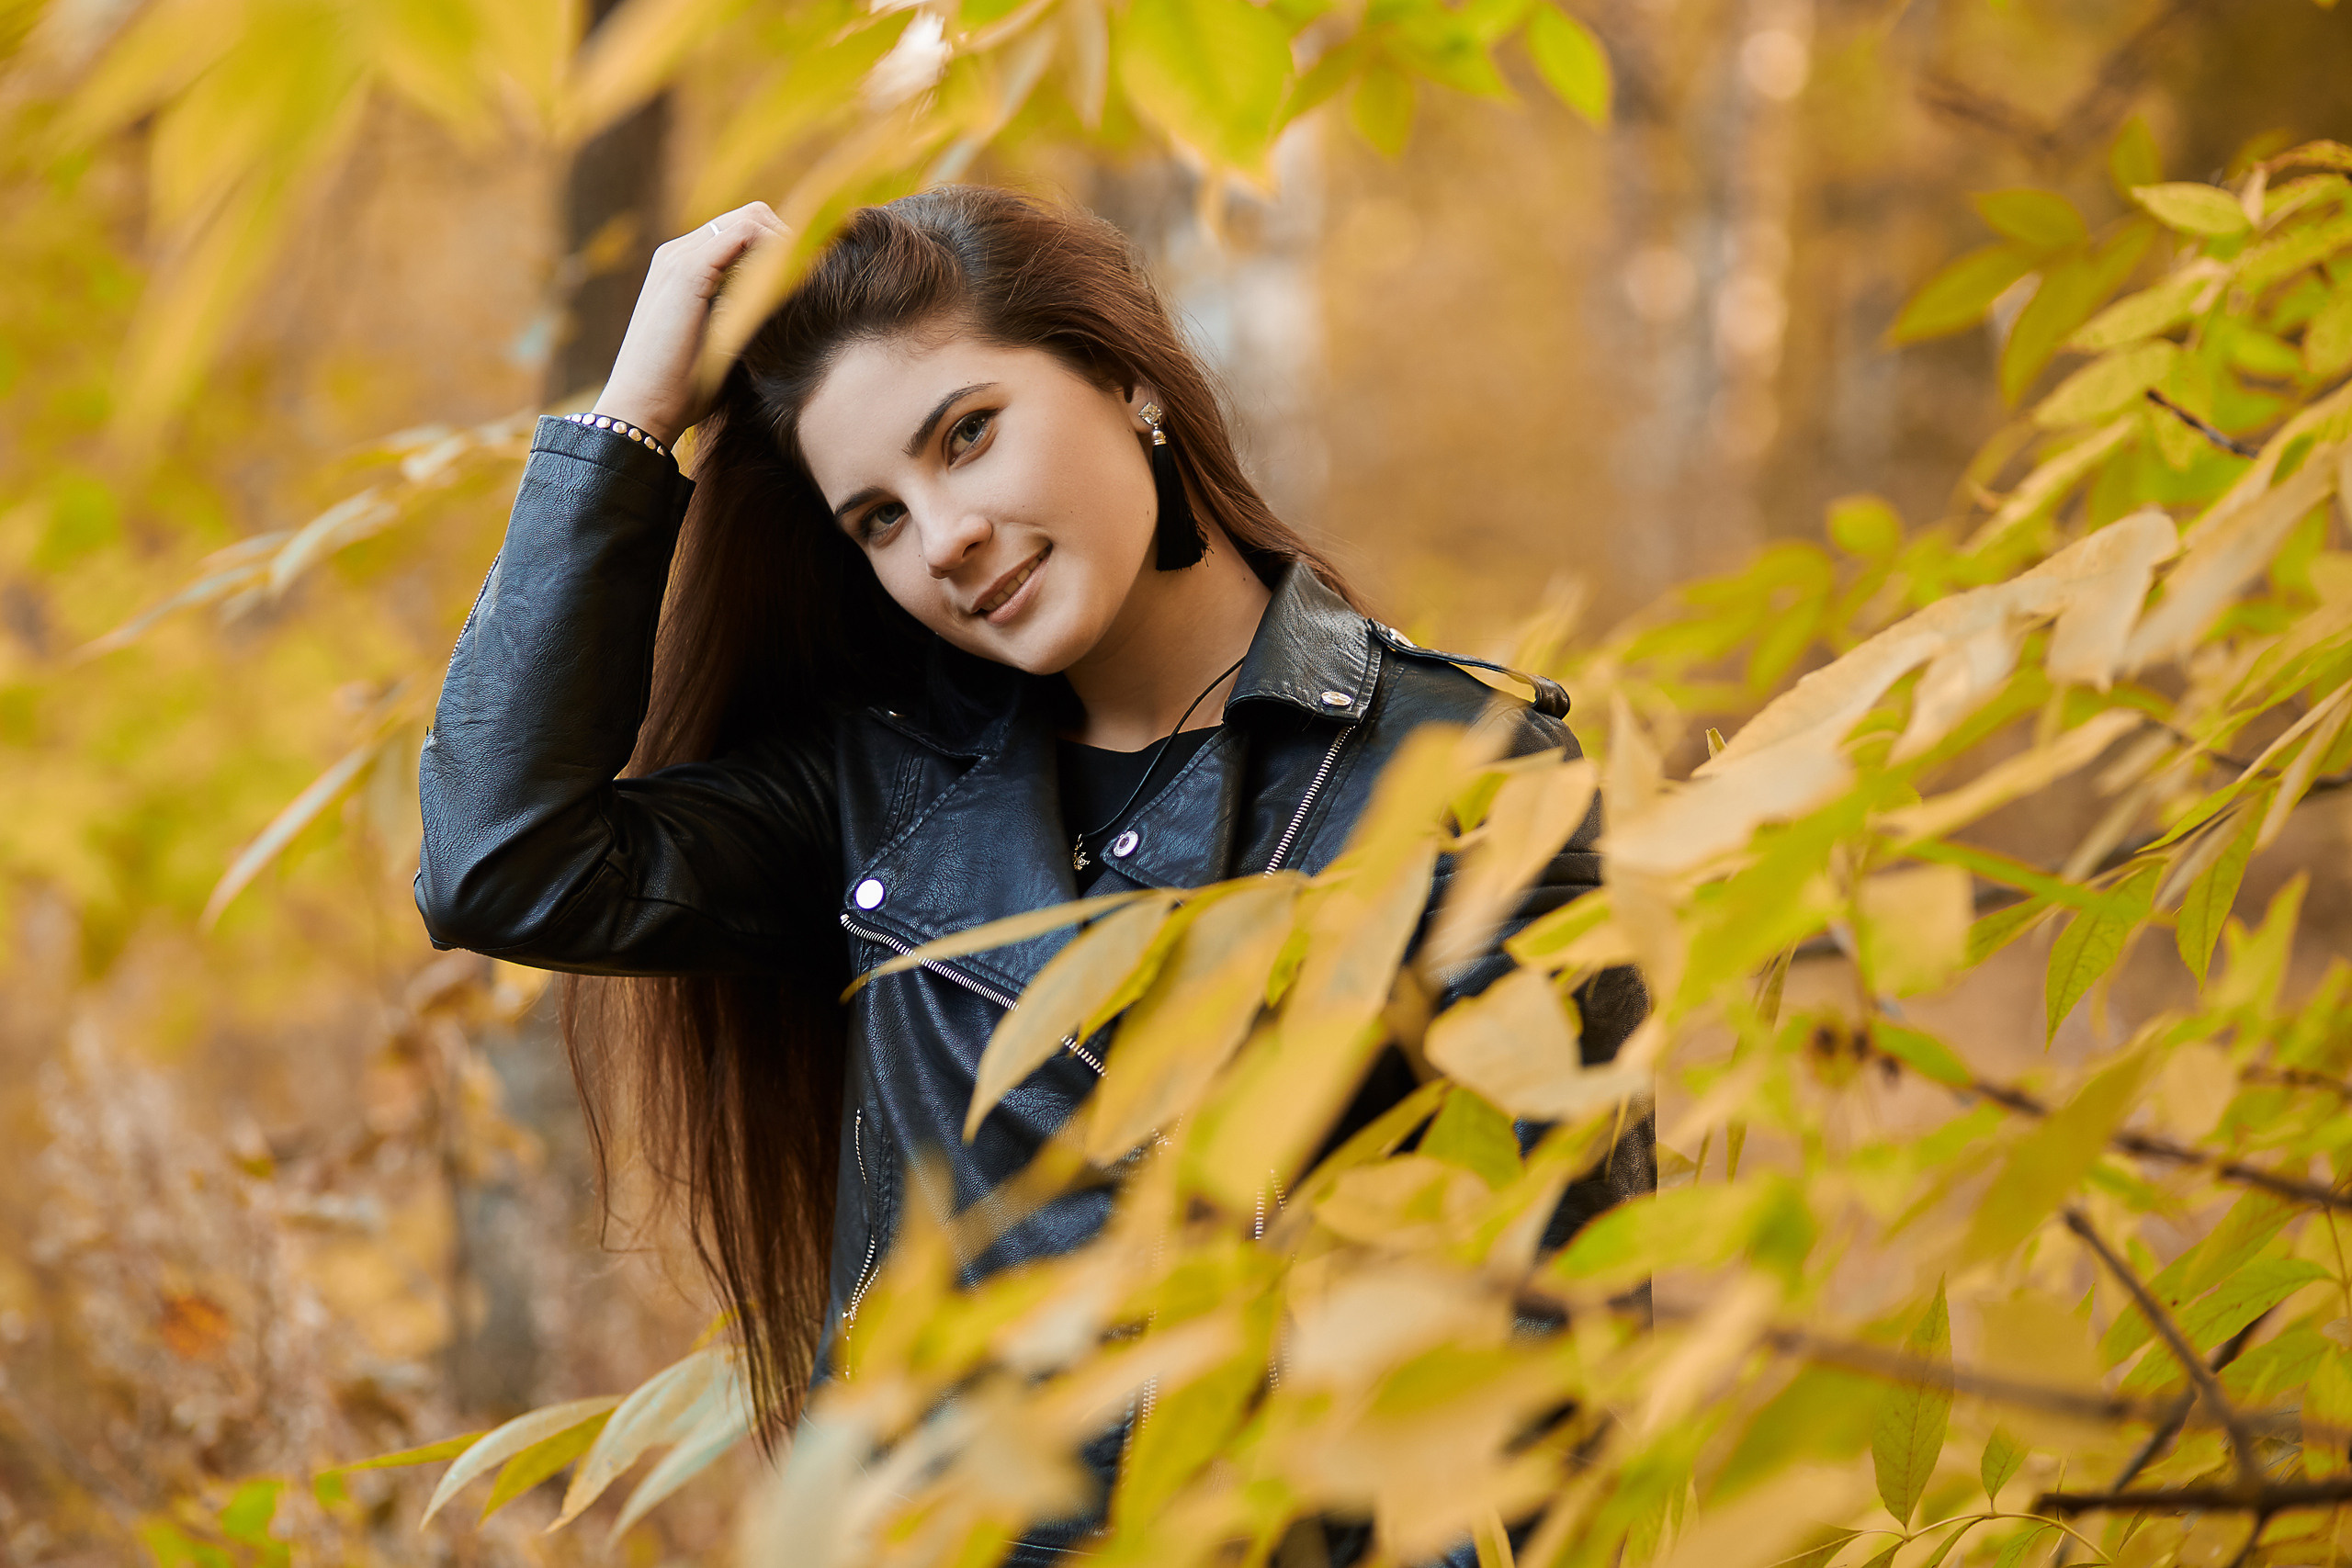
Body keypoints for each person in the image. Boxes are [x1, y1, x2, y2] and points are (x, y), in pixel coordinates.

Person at [414, 185, 1648, 1562]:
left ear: (1129, 382)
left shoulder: (1460, 775)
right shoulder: (879, 783)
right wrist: (631, 417)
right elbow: (503, 866)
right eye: (878, 517)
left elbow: (1567, 1366)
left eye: (970, 436)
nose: (943, 538)